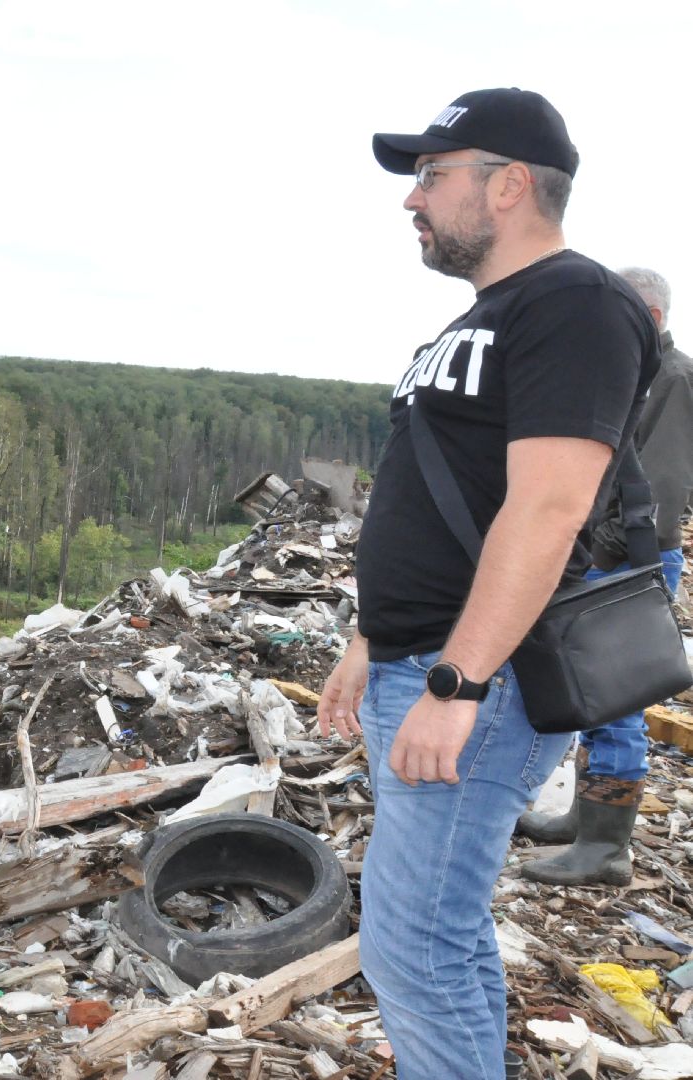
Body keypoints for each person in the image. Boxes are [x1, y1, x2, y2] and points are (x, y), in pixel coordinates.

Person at [316, 88, 659, 1080]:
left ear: (509, 186)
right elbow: (445, 496)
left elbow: (550, 508)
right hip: (422, 660)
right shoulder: (493, 316)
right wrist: (369, 636)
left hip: (483, 677)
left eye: (431, 174)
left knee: (410, 948)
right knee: (439, 932)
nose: (411, 199)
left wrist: (458, 682)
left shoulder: (576, 303)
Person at [519, 268, 693, 886]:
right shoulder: (637, 374)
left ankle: (606, 848)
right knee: (591, 696)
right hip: (604, 555)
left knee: (616, 702)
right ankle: (582, 819)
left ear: (648, 316)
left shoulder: (673, 379)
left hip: (627, 561)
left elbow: (661, 498)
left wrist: (593, 555)